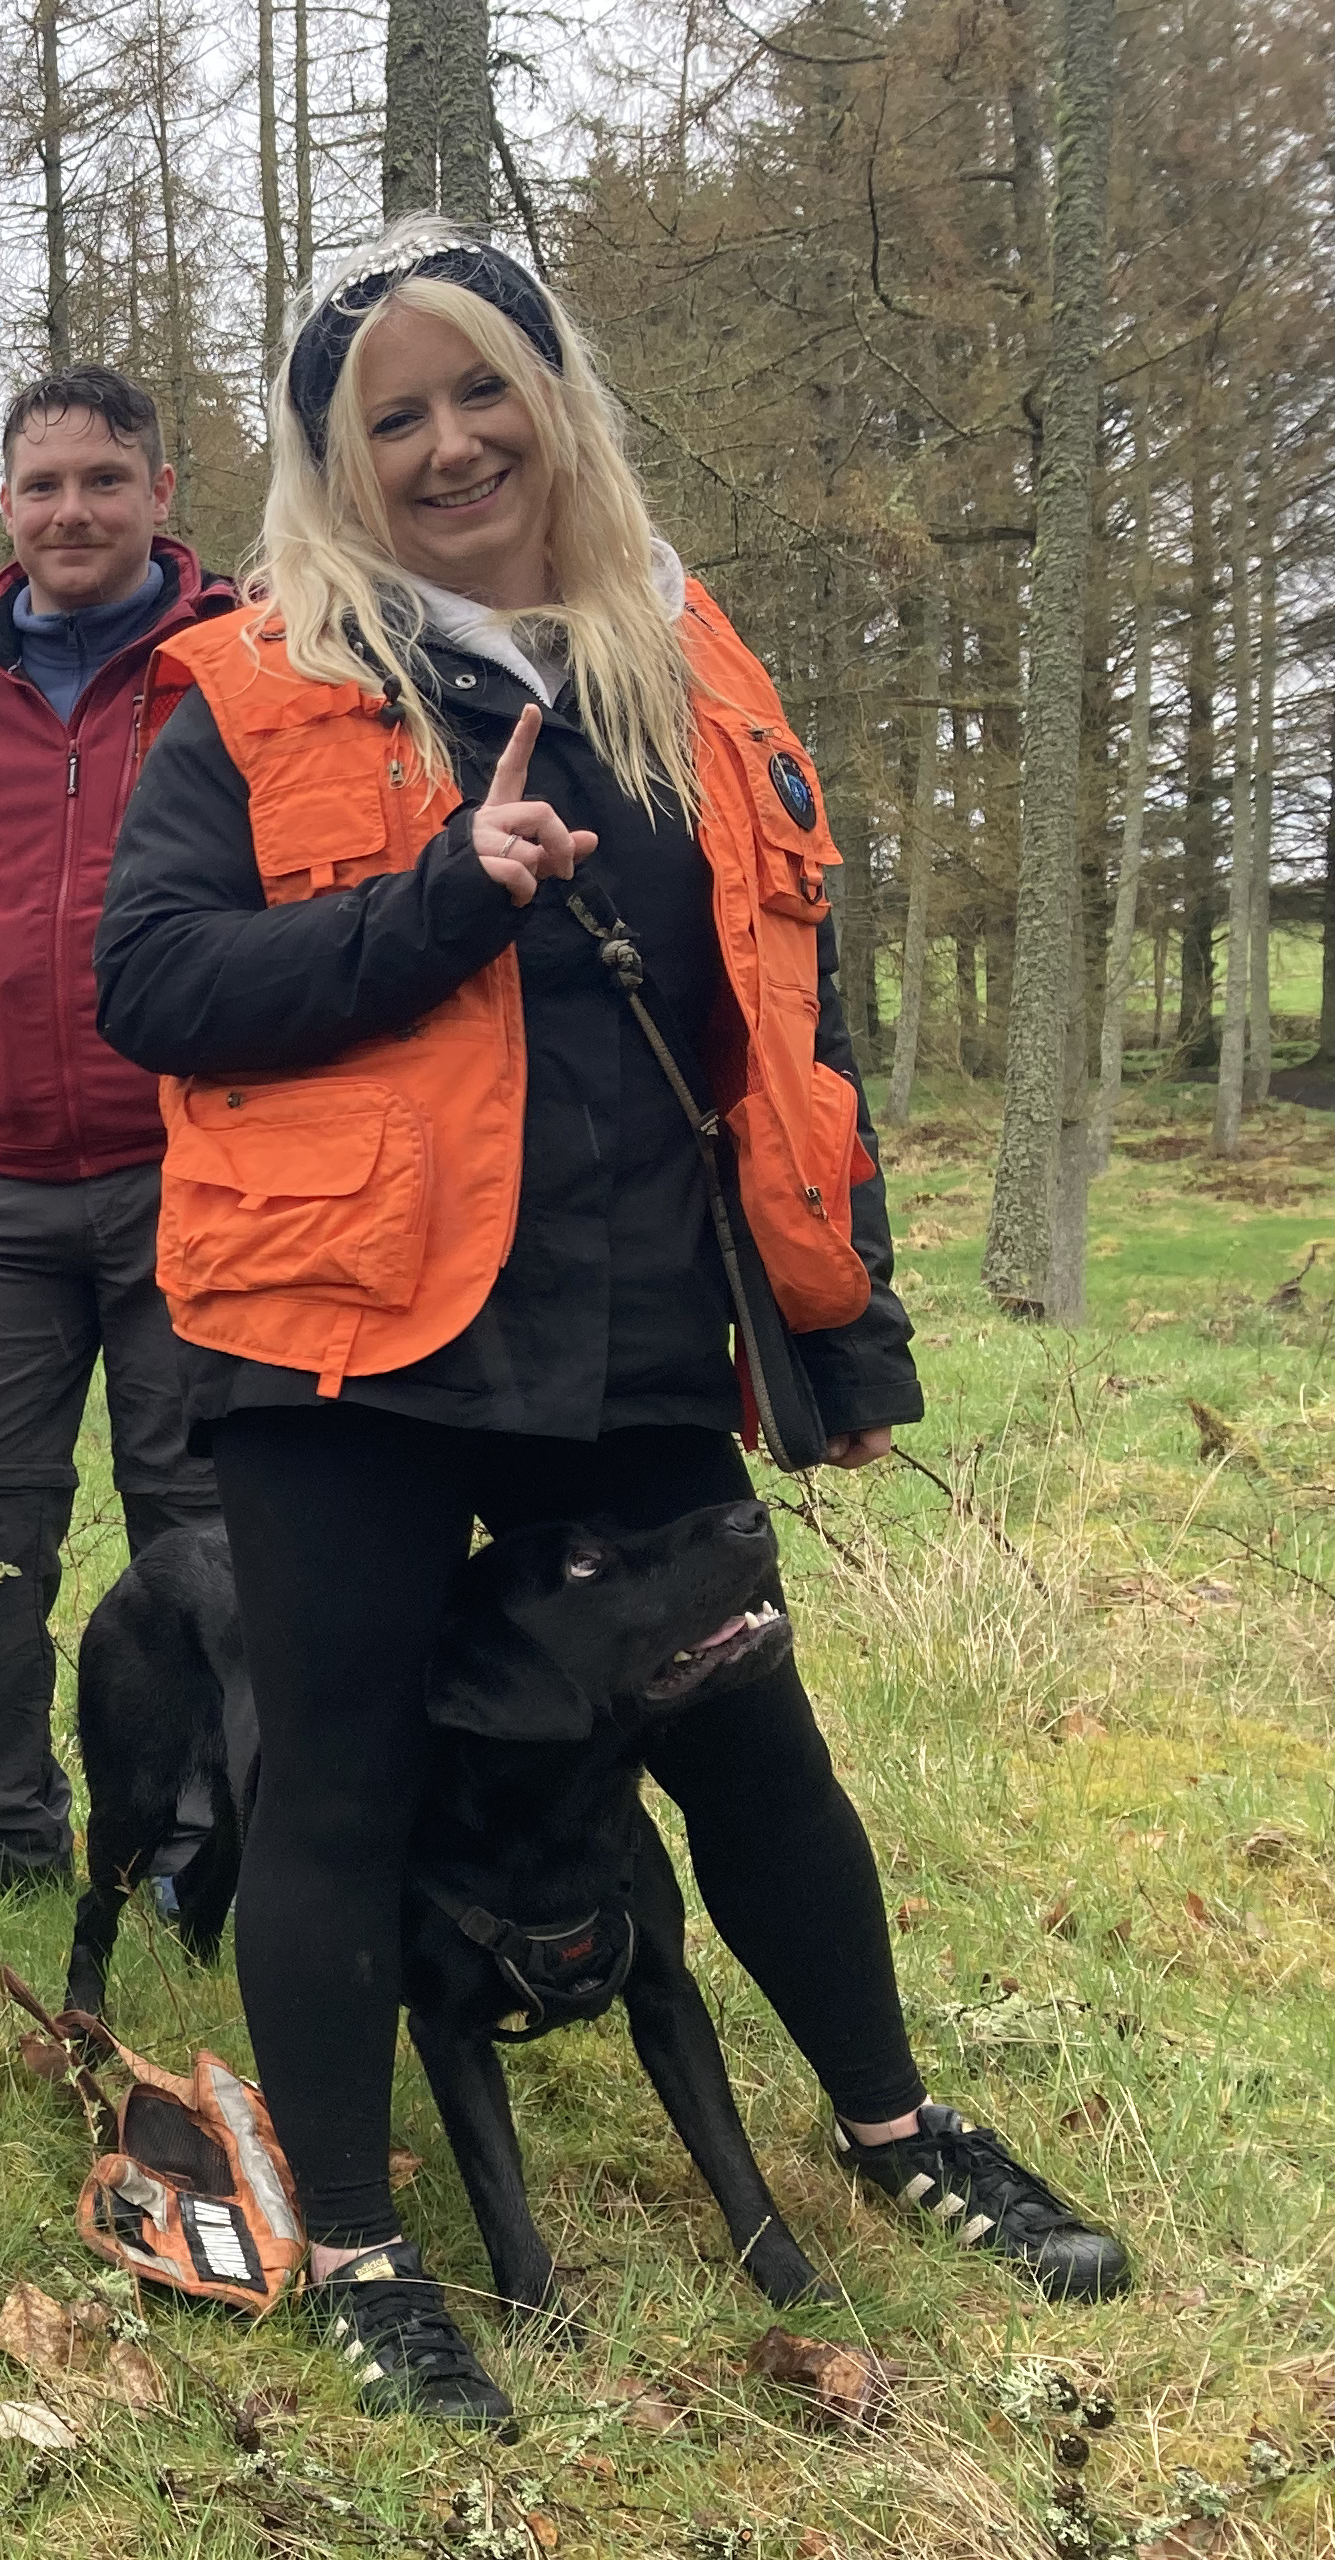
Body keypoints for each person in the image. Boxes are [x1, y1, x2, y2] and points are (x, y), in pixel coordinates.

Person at [91, 230, 1129, 2427]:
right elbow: (156, 987)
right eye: (393, 417)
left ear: (557, 401)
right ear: (333, 464)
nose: (449, 445)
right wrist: (438, 900)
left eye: (486, 392)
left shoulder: (694, 668)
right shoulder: (254, 682)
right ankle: (360, 2249)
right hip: (345, 1335)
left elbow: (788, 1020)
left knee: (750, 1742)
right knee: (338, 1775)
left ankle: (897, 2131)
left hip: (629, 1317)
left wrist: (843, 1325)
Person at [0, 364, 232, 1911]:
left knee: (203, 1523)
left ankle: (200, 1829)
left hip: (195, 1179)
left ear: (160, 496)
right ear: (3, 503)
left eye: (104, 481)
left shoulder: (235, 673)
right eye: (43, 485)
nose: (73, 511)